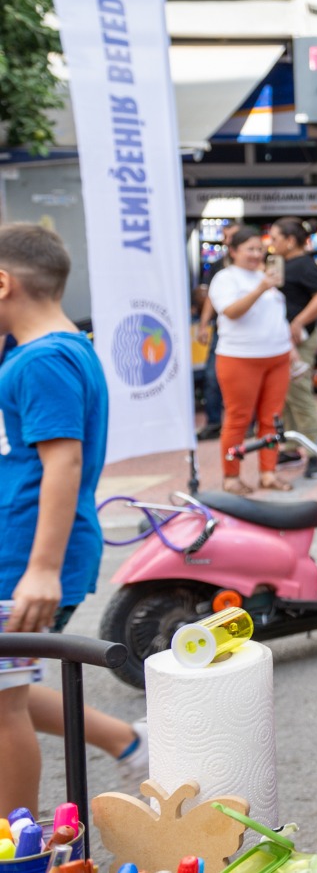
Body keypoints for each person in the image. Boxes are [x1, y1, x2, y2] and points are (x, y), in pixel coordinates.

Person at [0, 225, 145, 813]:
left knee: (3, 704)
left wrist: (40, 569)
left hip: (24, 555)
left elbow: (63, 462)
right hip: (22, 547)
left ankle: (17, 843)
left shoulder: (43, 361)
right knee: (9, 682)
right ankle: (128, 741)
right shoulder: (51, 349)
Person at [209, 226, 293, 494]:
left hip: (277, 355)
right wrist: (260, 288)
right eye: (250, 249)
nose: (256, 254)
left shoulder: (264, 276)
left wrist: (290, 347)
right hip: (239, 356)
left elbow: (276, 316)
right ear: (233, 251)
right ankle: (231, 477)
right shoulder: (226, 278)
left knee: (272, 419)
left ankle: (268, 473)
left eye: (260, 249)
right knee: (238, 418)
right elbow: (231, 312)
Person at [268, 218, 317, 475]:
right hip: (283, 339)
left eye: (275, 238)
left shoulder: (304, 265)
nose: (271, 244)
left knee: (298, 393)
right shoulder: (283, 263)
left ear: (290, 240)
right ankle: (292, 447)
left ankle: (315, 450)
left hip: (299, 339)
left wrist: (298, 321)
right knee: (285, 395)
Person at [194, 219, 239, 440]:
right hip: (221, 331)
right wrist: (203, 325)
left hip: (244, 335)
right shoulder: (218, 266)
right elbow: (211, 298)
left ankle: (248, 423)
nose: (227, 241)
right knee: (212, 376)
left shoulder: (256, 267)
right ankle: (213, 422)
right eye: (226, 237)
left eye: (232, 237)